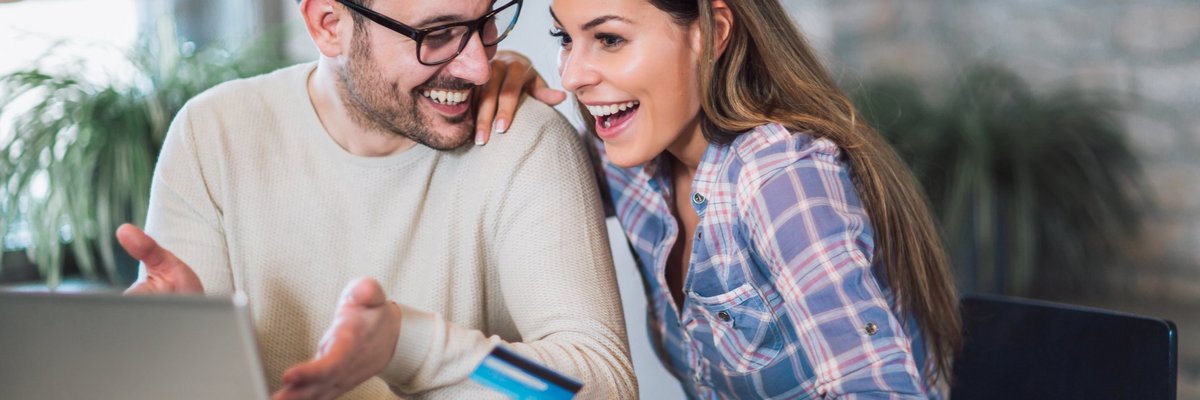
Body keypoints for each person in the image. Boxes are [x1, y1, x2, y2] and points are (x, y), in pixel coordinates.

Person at [114, 0, 637, 398]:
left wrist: (409, 345)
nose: (479, 66)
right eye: (437, 34)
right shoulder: (214, 134)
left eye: (486, 21)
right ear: (328, 24)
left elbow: (602, 384)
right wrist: (178, 354)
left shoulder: (524, 142)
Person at [529, 0, 964, 397]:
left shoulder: (782, 180)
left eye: (609, 39)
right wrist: (504, 77)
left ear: (713, 32)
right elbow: (526, 189)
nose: (572, 77)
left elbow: (881, 391)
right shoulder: (626, 160)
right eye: (565, 38)